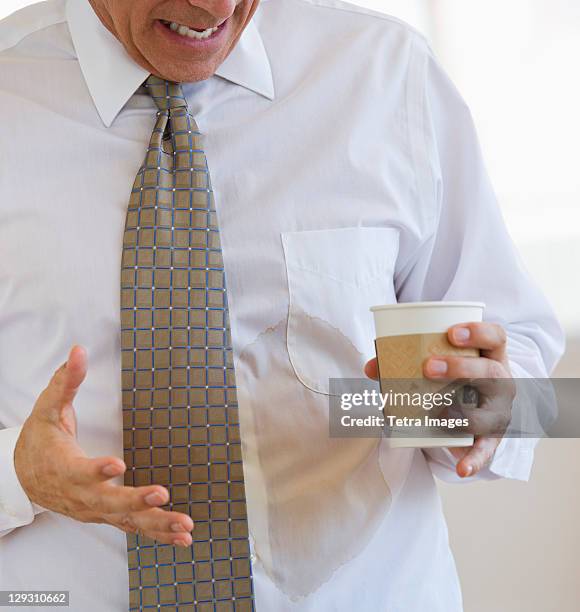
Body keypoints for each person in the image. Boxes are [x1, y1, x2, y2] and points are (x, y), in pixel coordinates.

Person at [0, 0, 564, 610]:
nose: (214, 7)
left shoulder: (386, 72)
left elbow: (521, 371)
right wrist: (18, 474)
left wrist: (483, 408)